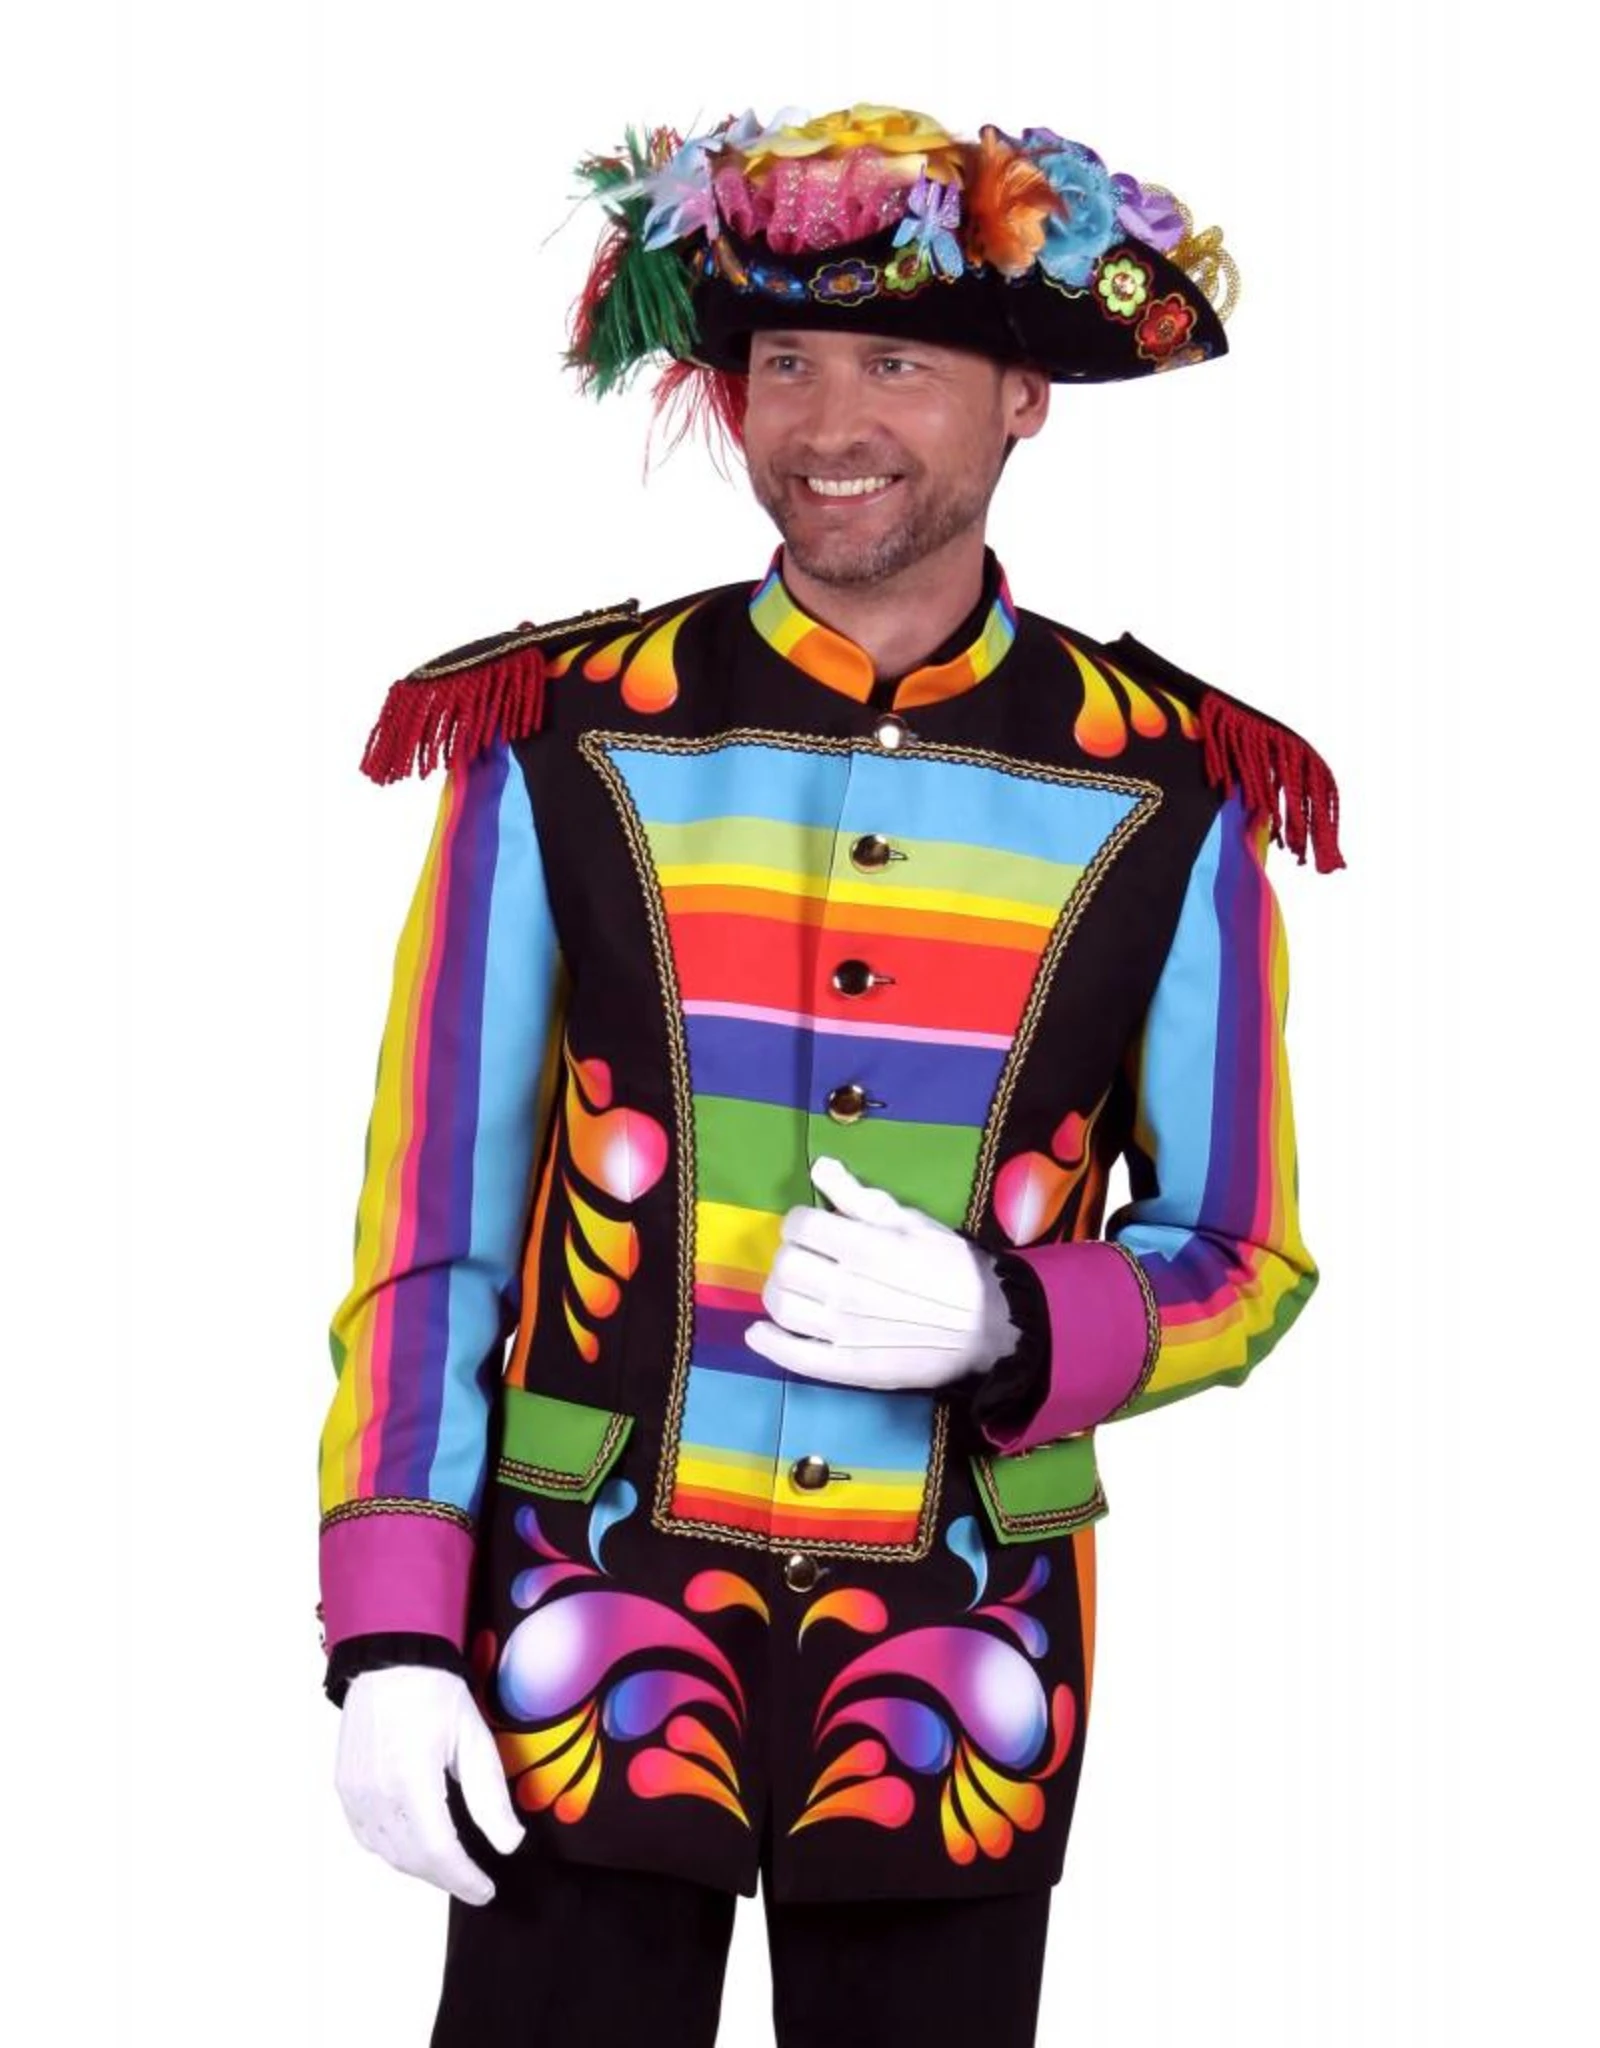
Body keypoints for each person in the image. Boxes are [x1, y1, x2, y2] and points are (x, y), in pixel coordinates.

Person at [316, 104, 1344, 2048]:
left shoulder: (1170, 782)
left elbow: (1240, 1254)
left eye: (896, 363)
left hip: (956, 1673)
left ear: (1023, 400)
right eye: (783, 361)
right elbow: (434, 1228)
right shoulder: (562, 737)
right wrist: (387, 1623)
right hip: (572, 1640)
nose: (825, 422)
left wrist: (1014, 1317)